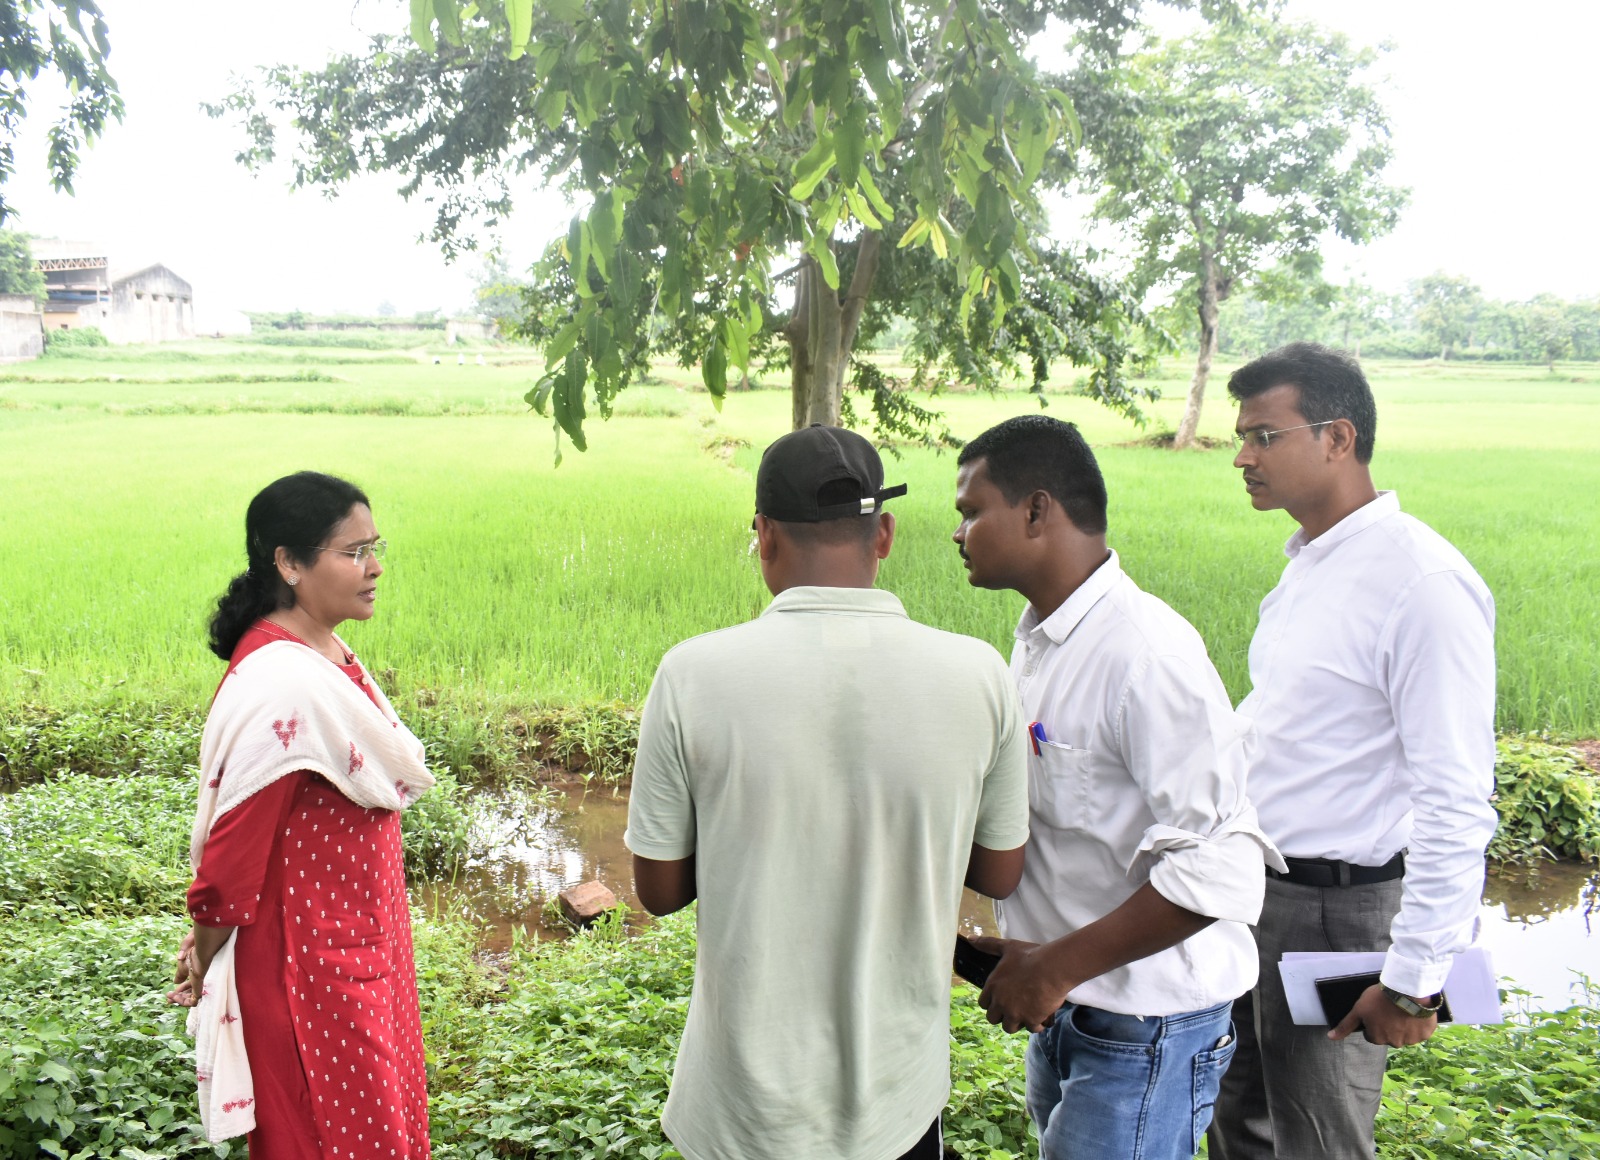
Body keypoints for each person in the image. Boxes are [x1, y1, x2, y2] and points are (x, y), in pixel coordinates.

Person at [624, 425, 1030, 1160]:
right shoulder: (979, 675)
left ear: (764, 535)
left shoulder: (693, 673)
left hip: (741, 1110)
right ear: (885, 536)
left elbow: (659, 890)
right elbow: (999, 872)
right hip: (897, 1104)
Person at [953, 415, 1282, 1160]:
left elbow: (1220, 867)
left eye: (972, 511)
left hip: (1147, 1027)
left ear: (1037, 511)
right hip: (1071, 1004)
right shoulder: (1038, 637)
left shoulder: (1144, 655)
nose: (959, 533)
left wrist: (1055, 966)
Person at [1209, 343, 1498, 1160]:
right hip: (1257, 893)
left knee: (1319, 1142)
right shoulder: (1311, 565)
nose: (1243, 456)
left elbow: (1455, 794)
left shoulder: (1423, 585)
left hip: (1337, 913)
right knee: (1241, 1124)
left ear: (1338, 439)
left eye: (1265, 436)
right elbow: (1281, 727)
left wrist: (1414, 974)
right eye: (1243, 436)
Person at [167, 470, 436, 1157]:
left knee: (375, 1126)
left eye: (375, 548)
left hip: (358, 948)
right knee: (325, 1136)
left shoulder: (324, 650)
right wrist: (201, 954)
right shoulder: (282, 684)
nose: (374, 568)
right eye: (351, 553)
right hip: (307, 975)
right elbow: (231, 866)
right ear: (287, 563)